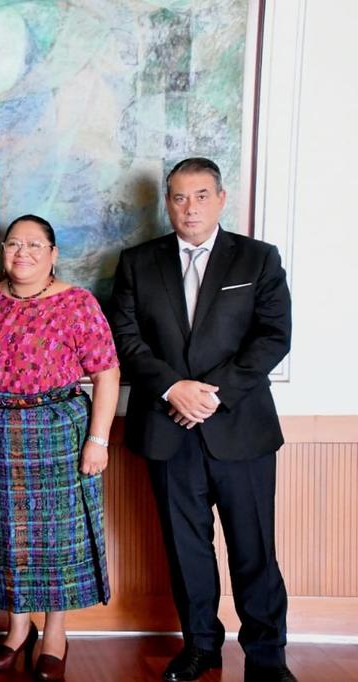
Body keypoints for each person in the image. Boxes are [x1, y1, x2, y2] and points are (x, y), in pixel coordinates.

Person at [109, 158, 294, 682]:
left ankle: (267, 658)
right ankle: (201, 647)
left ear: (221, 198)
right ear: (167, 202)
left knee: (254, 550)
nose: (190, 208)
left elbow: (273, 336)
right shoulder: (138, 262)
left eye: (201, 196)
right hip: (167, 428)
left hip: (240, 428)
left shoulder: (257, 258)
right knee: (186, 549)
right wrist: (173, 388)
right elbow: (125, 337)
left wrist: (212, 395)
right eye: (179, 197)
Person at [0, 215, 119, 681]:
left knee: (57, 539)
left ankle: (54, 633)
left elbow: (107, 374)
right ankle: (17, 629)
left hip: (57, 433)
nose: (23, 253)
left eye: (34, 245)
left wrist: (98, 440)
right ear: (2, 252)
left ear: (53, 254)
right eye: (14, 244)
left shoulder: (77, 303)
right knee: (2, 536)